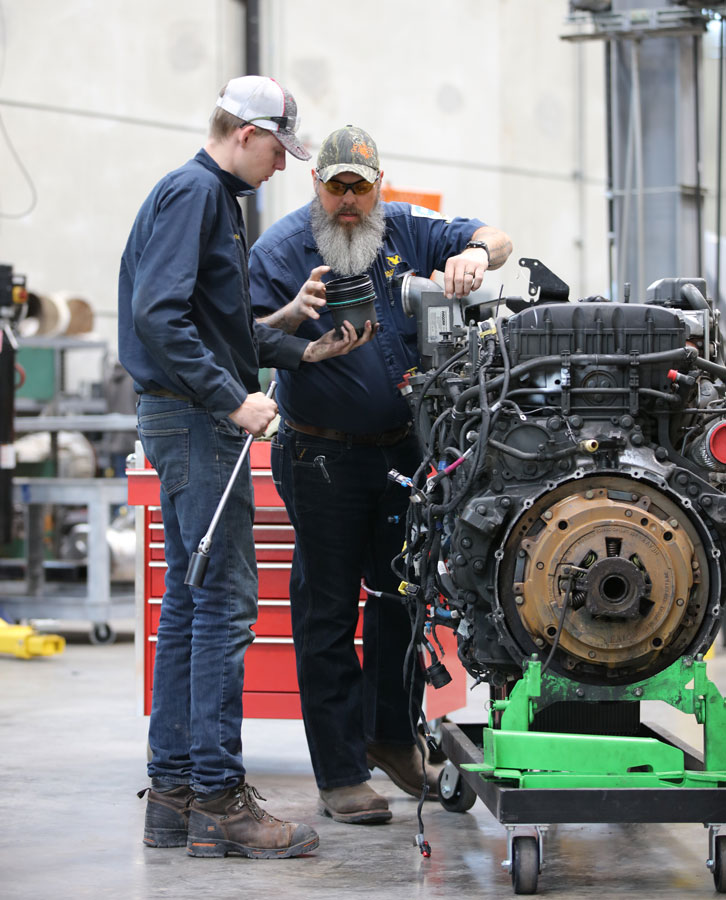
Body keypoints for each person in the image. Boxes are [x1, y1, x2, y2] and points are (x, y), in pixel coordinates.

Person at [118, 80, 373, 859]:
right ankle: (222, 804)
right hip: (195, 423)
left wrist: (294, 332)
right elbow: (157, 318)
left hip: (187, 416)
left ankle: (175, 796)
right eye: (277, 151)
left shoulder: (209, 198)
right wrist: (234, 402)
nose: (278, 168)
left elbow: (208, 326)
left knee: (194, 608)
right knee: (225, 607)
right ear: (245, 133)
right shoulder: (197, 193)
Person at [249, 125, 513, 824]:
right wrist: (296, 334)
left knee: (404, 597)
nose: (346, 201)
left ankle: (391, 739)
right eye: (334, 186)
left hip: (402, 452)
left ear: (378, 185)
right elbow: (240, 333)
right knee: (328, 609)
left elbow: (495, 235)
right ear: (316, 186)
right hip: (321, 455)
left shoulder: (405, 231)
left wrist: (473, 258)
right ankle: (340, 775)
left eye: (358, 187)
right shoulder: (281, 252)